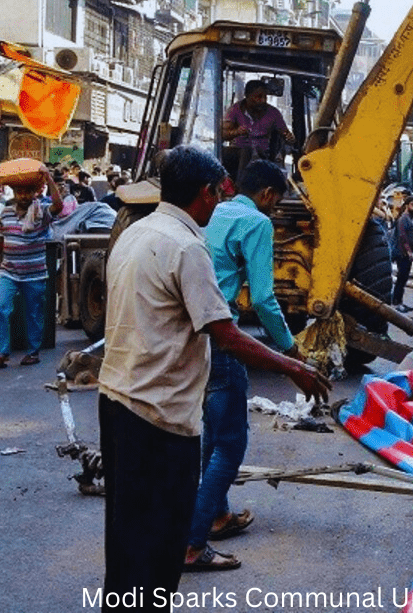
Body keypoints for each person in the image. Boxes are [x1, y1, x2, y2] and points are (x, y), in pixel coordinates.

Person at [98, 147, 329, 604]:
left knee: (127, 538)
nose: (221, 202)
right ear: (205, 193)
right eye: (219, 192)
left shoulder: (136, 231)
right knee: (161, 548)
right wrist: (295, 366)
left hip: (116, 399)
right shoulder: (187, 247)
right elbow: (226, 334)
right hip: (157, 414)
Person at [186, 159, 309, 571]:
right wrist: (289, 350)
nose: (273, 211)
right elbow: (263, 298)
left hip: (197, 334)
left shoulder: (216, 211)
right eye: (275, 204)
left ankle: (217, 515)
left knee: (213, 435)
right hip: (223, 337)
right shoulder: (257, 223)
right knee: (232, 444)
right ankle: (192, 542)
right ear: (269, 196)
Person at [0, 163, 63, 368]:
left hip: (34, 273)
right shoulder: (7, 213)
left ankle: (32, 351)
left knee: (33, 313)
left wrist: (48, 179)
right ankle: (1, 353)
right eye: (20, 192)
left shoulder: (42, 212)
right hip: (8, 271)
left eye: (28, 193)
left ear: (33, 194)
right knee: (1, 309)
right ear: (16, 193)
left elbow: (59, 206)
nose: (24, 196)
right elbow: (0, 238)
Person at [221, 80, 294, 183]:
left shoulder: (273, 113)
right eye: (259, 97)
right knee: (241, 152)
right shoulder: (235, 110)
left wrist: (289, 137)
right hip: (238, 151)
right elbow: (222, 134)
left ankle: (242, 185)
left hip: (263, 154)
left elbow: (285, 133)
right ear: (247, 96)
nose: (263, 100)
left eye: (265, 97)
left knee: (251, 153)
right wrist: (236, 132)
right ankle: (235, 184)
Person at [392, 198, 413, 312]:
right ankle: (396, 302)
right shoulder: (403, 219)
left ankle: (400, 301)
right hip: (402, 254)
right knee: (401, 277)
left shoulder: (411, 219)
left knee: (404, 278)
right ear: (407, 205)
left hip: (407, 254)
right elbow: (402, 237)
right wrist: (408, 251)